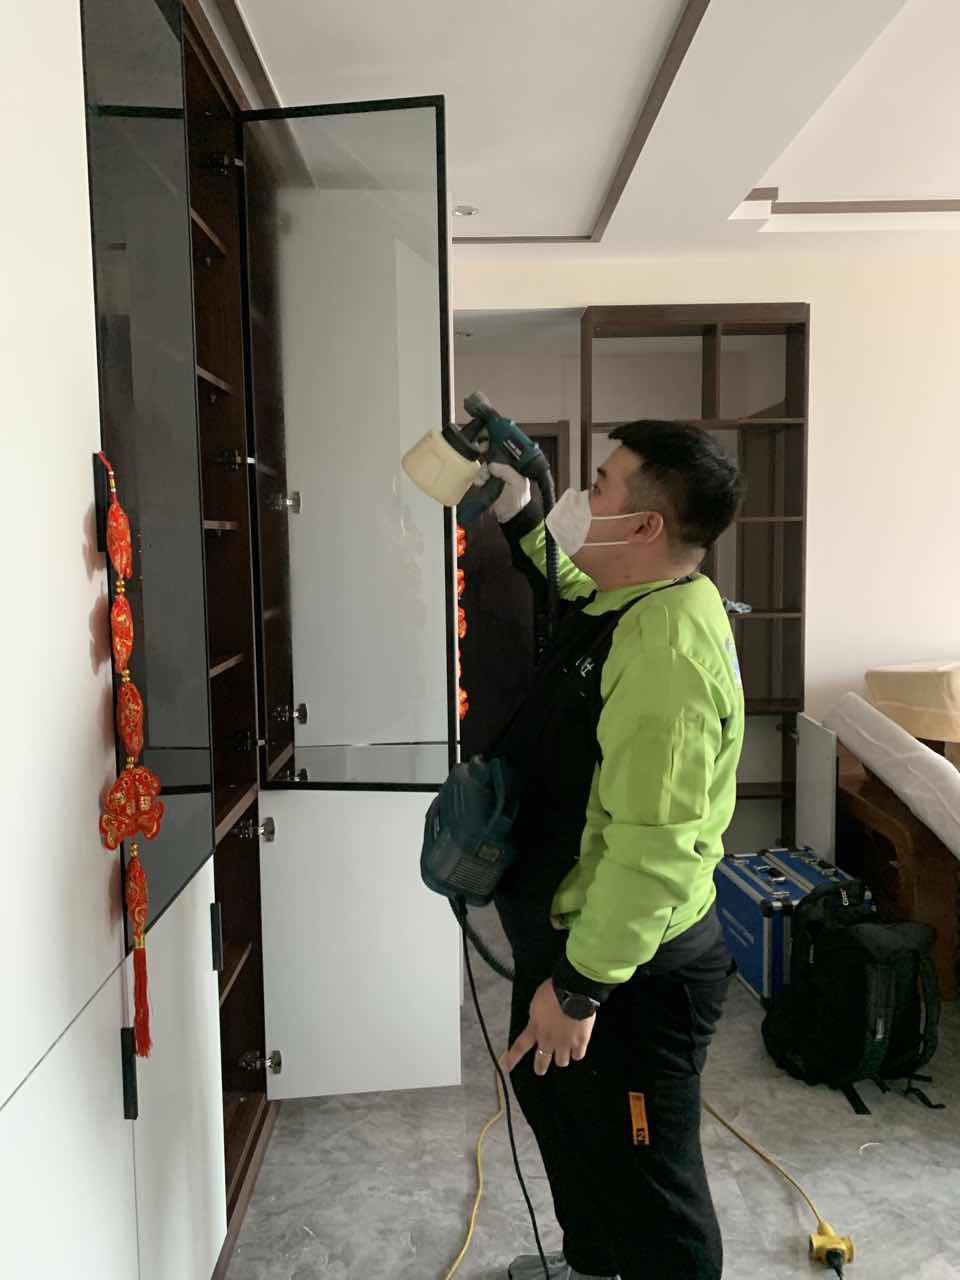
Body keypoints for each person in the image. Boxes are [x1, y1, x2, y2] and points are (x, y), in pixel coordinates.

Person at [485, 420, 746, 1280]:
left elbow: (654, 849)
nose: (580, 495)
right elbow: (571, 589)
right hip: (577, 934)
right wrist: (520, 513)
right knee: (560, 1105)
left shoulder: (667, 649)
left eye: (598, 484)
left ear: (644, 526)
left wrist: (581, 987)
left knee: (650, 1176)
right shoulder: (631, 599)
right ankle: (595, 1263)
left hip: (635, 971)